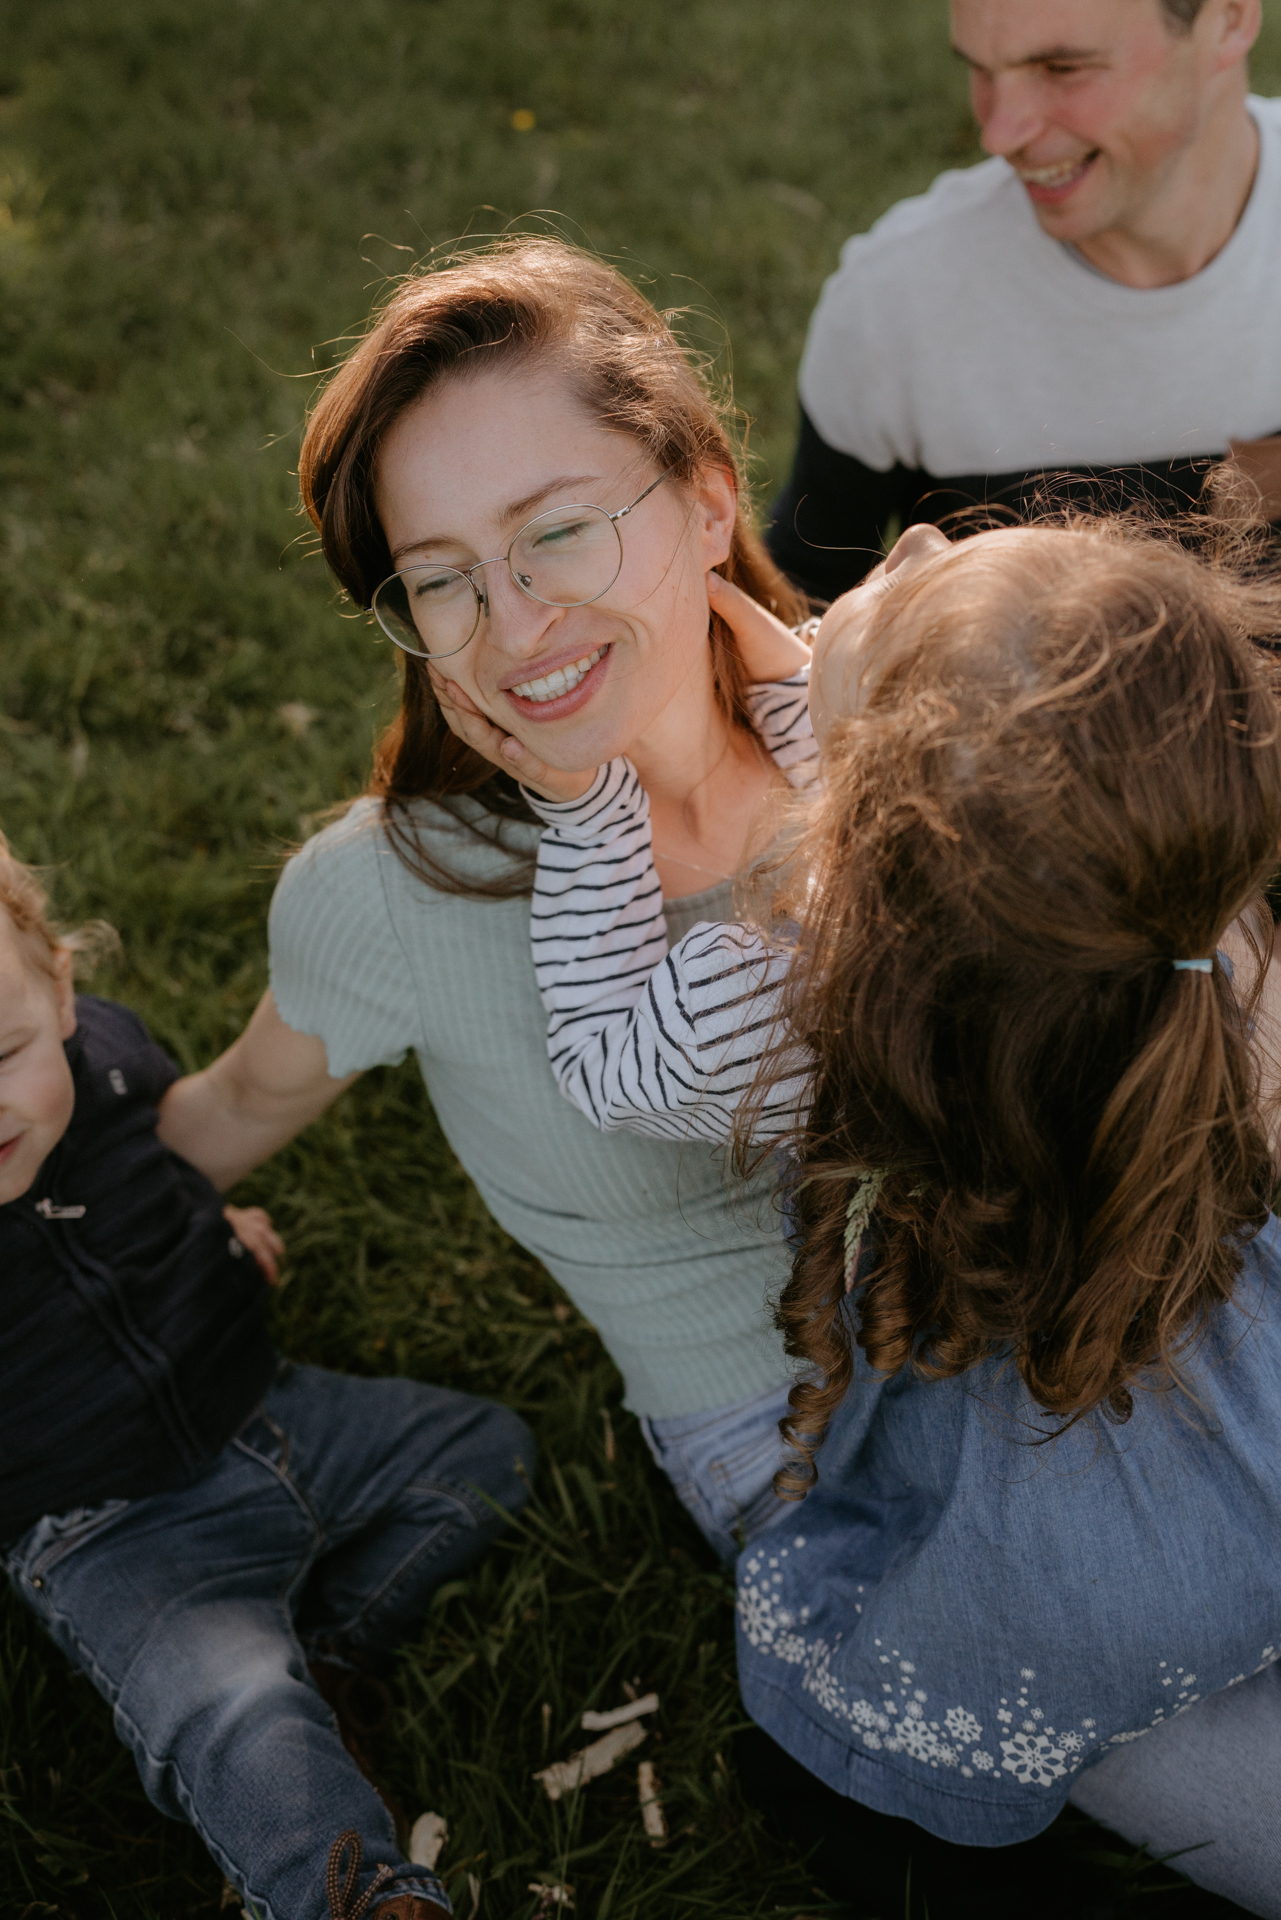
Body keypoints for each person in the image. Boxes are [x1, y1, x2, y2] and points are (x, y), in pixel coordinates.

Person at [491, 516, 1281, 1914]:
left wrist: (585, 810)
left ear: (851, 878)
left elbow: (612, 1061)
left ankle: (850, 1793)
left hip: (1111, 1524)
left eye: (907, 579)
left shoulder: (821, 986)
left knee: (907, 1684)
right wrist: (851, 695)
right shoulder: (1182, 901)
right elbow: (969, 822)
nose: (912, 535)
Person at [153, 236, 825, 1570]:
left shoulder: (888, 715)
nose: (514, 626)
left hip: (1075, 1283)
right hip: (790, 1427)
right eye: (446, 577)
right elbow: (231, 1108)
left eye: (556, 532)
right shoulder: (390, 891)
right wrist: (117, 1226)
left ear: (704, 501)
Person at [0, 836, 535, 1920]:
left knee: (487, 1459)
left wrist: (201, 1224)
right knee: (230, 1702)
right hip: (112, 1529)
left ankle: (328, 1654)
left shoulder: (103, 1059)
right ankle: (357, 1895)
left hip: (274, 1415)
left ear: (60, 991)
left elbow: (147, 1165)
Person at [766, 0, 1281, 602]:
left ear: (1231, 19)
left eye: (1063, 69)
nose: (999, 132)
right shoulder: (898, 306)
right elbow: (796, 619)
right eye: (981, 70)